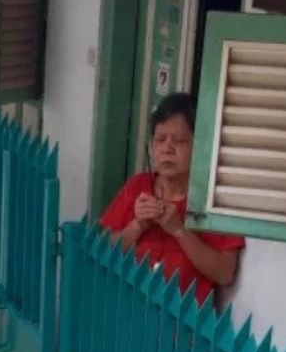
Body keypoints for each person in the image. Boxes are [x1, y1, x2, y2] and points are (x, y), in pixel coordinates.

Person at [100, 92, 244, 303]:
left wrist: (179, 230)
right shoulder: (137, 186)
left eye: (179, 141)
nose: (167, 149)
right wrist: (137, 226)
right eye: (159, 140)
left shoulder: (213, 201)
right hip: (128, 315)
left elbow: (225, 273)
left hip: (183, 326)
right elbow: (98, 249)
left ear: (200, 147)